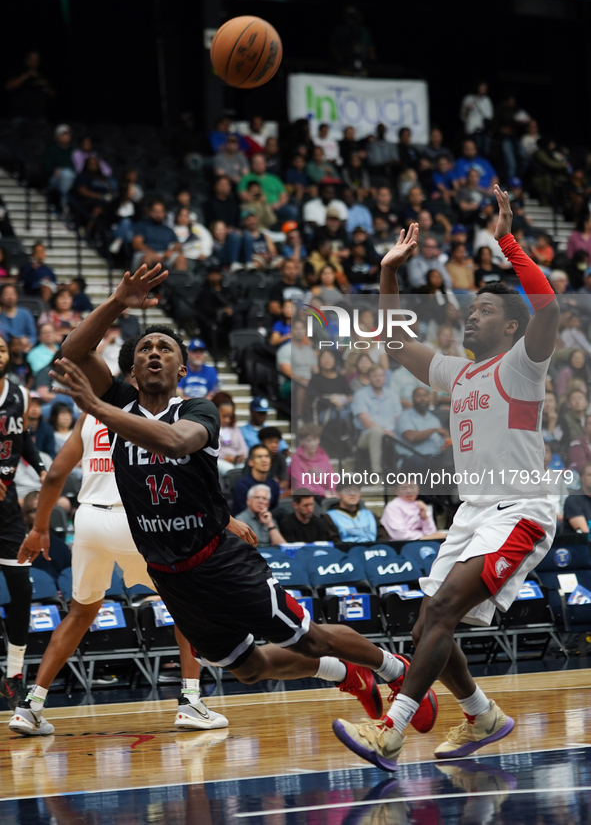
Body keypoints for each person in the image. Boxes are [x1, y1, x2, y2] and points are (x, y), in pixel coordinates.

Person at [36, 267, 437, 748]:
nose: (154, 353)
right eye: (145, 349)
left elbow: (173, 443)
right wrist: (119, 301)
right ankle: (347, 677)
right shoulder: (122, 400)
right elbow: (73, 352)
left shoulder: (196, 410)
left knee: (308, 637)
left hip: (220, 562)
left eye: (166, 348)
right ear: (130, 370)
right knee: (249, 668)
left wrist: (101, 411)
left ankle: (398, 671)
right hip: (169, 573)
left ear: (183, 369)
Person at [333, 186, 559, 771]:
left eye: (485, 310)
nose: (471, 315)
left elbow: (551, 308)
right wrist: (388, 275)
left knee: (440, 614)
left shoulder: (524, 364)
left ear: (512, 327)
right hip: (473, 513)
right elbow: (392, 341)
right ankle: (483, 715)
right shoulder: (459, 373)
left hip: (520, 509)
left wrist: (506, 241)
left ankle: (391, 730)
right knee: (427, 623)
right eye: (471, 309)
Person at [12, 408, 229, 736]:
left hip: (87, 520)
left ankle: (30, 707)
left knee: (80, 614)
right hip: (132, 518)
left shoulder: (88, 416)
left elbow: (55, 474)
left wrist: (39, 527)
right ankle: (190, 701)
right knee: (187, 607)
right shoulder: (150, 414)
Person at [0, 336, 47, 709]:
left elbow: (23, 438)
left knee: (23, 590)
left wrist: (43, 468)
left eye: (0, 348)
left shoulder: (18, 393)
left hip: (7, 510)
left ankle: (14, 673)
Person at [352, 365, 402, 476]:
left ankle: (400, 473)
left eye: (380, 376)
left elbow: (397, 419)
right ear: (369, 378)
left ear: (384, 378)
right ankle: (377, 473)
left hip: (392, 434)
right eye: (374, 376)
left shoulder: (393, 395)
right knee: (376, 431)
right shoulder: (360, 395)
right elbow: (367, 423)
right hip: (366, 436)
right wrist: (387, 432)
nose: (378, 379)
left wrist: (393, 433)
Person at [131, 200, 183, 272]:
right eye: (155, 211)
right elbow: (137, 244)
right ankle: (145, 282)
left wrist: (170, 252)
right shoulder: (141, 226)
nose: (158, 214)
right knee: (147, 259)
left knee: (180, 258)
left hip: (164, 255)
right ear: (149, 212)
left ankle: (179, 282)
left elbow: (177, 245)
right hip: (146, 253)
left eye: (161, 212)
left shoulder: (168, 230)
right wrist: (153, 254)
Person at [289, 424, 337, 497]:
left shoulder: (324, 456)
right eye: (309, 440)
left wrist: (332, 490)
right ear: (301, 442)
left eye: (315, 440)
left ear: (319, 440)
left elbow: (332, 476)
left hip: (327, 495)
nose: (313, 444)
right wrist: (323, 493)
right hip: (308, 496)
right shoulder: (296, 459)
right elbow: (301, 484)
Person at [212, 392, 248, 476]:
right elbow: (211, 450)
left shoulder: (234, 429)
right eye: (224, 416)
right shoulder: (212, 429)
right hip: (220, 460)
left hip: (236, 460)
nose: (227, 420)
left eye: (230, 417)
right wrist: (224, 457)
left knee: (245, 468)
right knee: (230, 470)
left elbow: (243, 448)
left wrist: (240, 456)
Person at [0, 284, 37, 349]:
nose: (10, 297)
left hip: (22, 348)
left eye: (12, 294)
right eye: (6, 294)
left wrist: (29, 345)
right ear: (1, 297)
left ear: (17, 296)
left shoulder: (25, 313)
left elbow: (33, 335)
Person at [563, 462, 591, 535]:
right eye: (590, 475)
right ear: (582, 478)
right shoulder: (573, 500)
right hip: (579, 545)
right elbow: (585, 532)